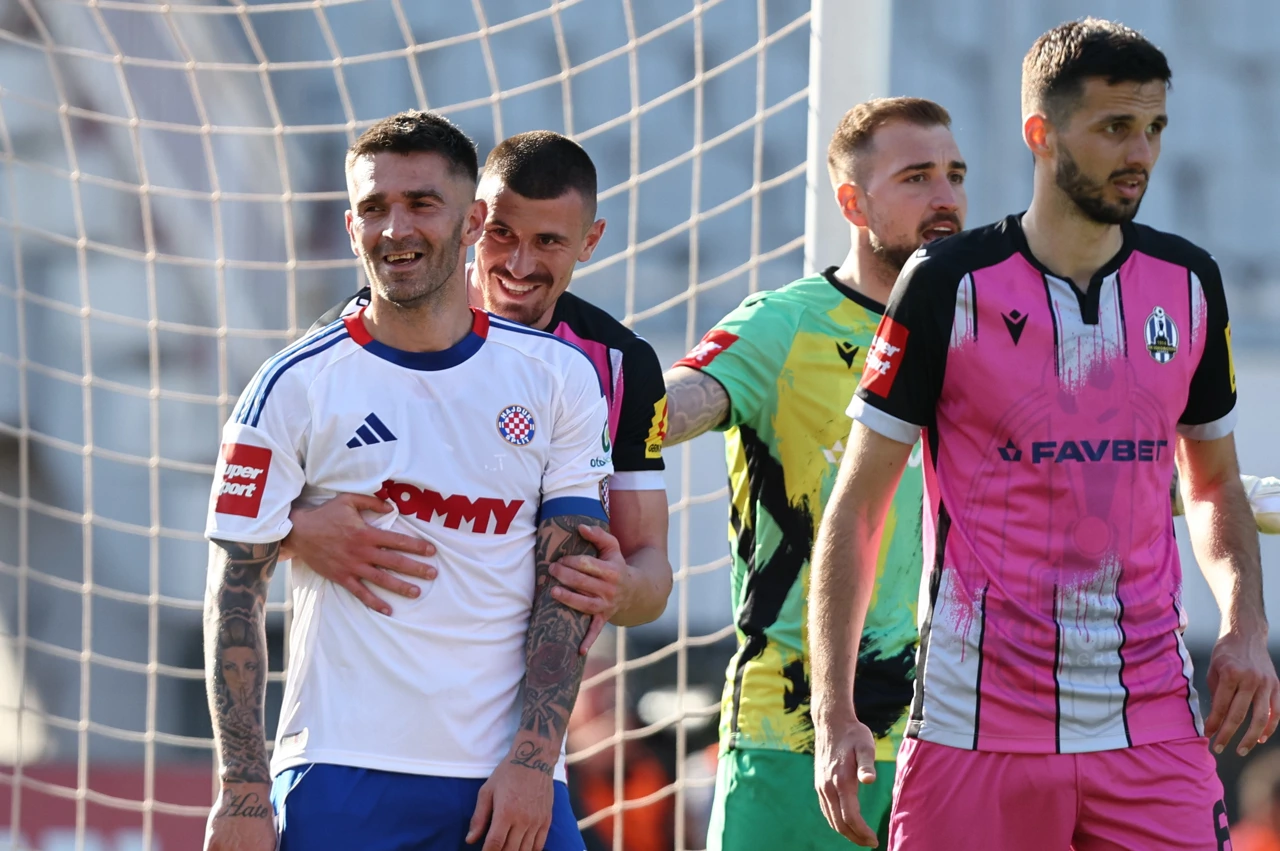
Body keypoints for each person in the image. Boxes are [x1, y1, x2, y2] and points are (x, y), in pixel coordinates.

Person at [810, 19, 1280, 851]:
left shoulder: (1190, 282)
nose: (1141, 152)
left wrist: (1245, 622)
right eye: (1114, 128)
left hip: (1152, 725)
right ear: (1041, 133)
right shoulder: (946, 282)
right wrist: (834, 709)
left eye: (1154, 127)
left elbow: (1210, 486)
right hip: (972, 728)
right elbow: (859, 508)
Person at [201, 110, 611, 851]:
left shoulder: (557, 376)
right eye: (373, 208)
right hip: (341, 771)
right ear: (350, 223)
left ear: (473, 221)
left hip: (508, 782)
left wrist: (533, 759)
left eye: (421, 203)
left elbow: (570, 580)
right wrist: (243, 790)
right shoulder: (290, 386)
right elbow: (234, 592)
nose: (396, 228)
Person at [662, 97, 966, 850]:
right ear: (853, 203)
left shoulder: (982, 332)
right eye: (918, 177)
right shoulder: (784, 323)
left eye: (955, 175)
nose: (947, 198)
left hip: (950, 736)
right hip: (788, 735)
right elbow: (661, 412)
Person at [286, 131, 671, 651]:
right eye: (502, 233)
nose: (518, 265)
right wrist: (299, 533)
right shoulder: (355, 337)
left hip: (513, 698)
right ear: (471, 223)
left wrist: (622, 590)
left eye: (549, 241)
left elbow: (650, 571)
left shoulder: (622, 365)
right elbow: (243, 508)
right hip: (361, 678)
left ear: (590, 241)